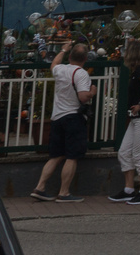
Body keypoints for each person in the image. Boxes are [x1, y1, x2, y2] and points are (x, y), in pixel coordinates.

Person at [28, 41, 93, 203]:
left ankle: (40, 187)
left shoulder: (60, 69)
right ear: (85, 58)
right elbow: (83, 97)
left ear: (70, 57)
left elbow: (54, 63)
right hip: (73, 117)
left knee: (56, 155)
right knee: (72, 156)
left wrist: (63, 49)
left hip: (57, 117)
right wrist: (93, 91)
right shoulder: (81, 73)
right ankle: (64, 192)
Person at [110, 38, 140, 204]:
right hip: (138, 118)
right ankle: (129, 189)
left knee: (138, 154)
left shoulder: (139, 71)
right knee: (124, 152)